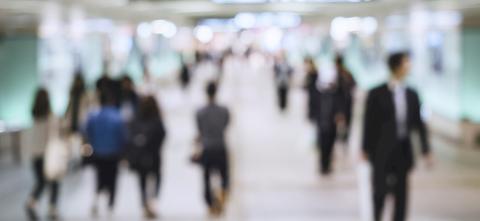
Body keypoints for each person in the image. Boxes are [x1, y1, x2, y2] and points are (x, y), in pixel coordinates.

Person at [362, 52, 433, 221]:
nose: (409, 66)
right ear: (397, 66)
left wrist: (426, 150)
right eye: (406, 63)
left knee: (401, 194)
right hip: (381, 151)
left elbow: (419, 125)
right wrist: (364, 148)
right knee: (379, 191)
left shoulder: (412, 94)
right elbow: (369, 123)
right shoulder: (376, 93)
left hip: (402, 151)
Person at [85, 89, 126, 216]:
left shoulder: (94, 116)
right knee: (113, 179)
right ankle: (110, 205)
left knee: (99, 177)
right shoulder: (117, 116)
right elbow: (123, 136)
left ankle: (97, 200)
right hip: (113, 153)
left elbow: (86, 131)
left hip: (98, 153)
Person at [127, 96, 166, 219]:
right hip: (154, 155)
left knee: (142, 181)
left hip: (140, 155)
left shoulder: (136, 118)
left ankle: (145, 204)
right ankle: (152, 202)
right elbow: (163, 135)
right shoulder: (157, 120)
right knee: (156, 178)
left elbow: (130, 135)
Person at [196, 82, 230, 216]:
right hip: (220, 146)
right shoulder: (224, 110)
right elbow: (226, 124)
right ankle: (222, 193)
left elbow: (199, 129)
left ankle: (210, 202)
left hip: (207, 147)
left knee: (206, 177)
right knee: (224, 175)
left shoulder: (200, 112)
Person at [25, 88, 60, 221]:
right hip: (48, 155)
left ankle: (32, 201)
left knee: (41, 182)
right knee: (54, 182)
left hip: (35, 155)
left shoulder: (34, 117)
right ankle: (52, 207)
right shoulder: (51, 118)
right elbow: (54, 136)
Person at [315, 82, 339, 176]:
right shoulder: (319, 95)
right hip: (322, 125)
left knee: (329, 146)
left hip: (331, 125)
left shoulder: (336, 95)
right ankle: (323, 165)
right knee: (323, 146)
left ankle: (327, 165)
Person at [334, 55, 356, 141]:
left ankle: (342, 139)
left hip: (342, 104)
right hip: (347, 103)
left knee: (340, 125)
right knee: (346, 124)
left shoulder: (340, 74)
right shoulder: (347, 73)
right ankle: (344, 139)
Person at [303, 57, 320, 122]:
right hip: (311, 91)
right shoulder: (310, 72)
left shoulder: (314, 72)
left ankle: (313, 116)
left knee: (313, 104)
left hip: (315, 92)